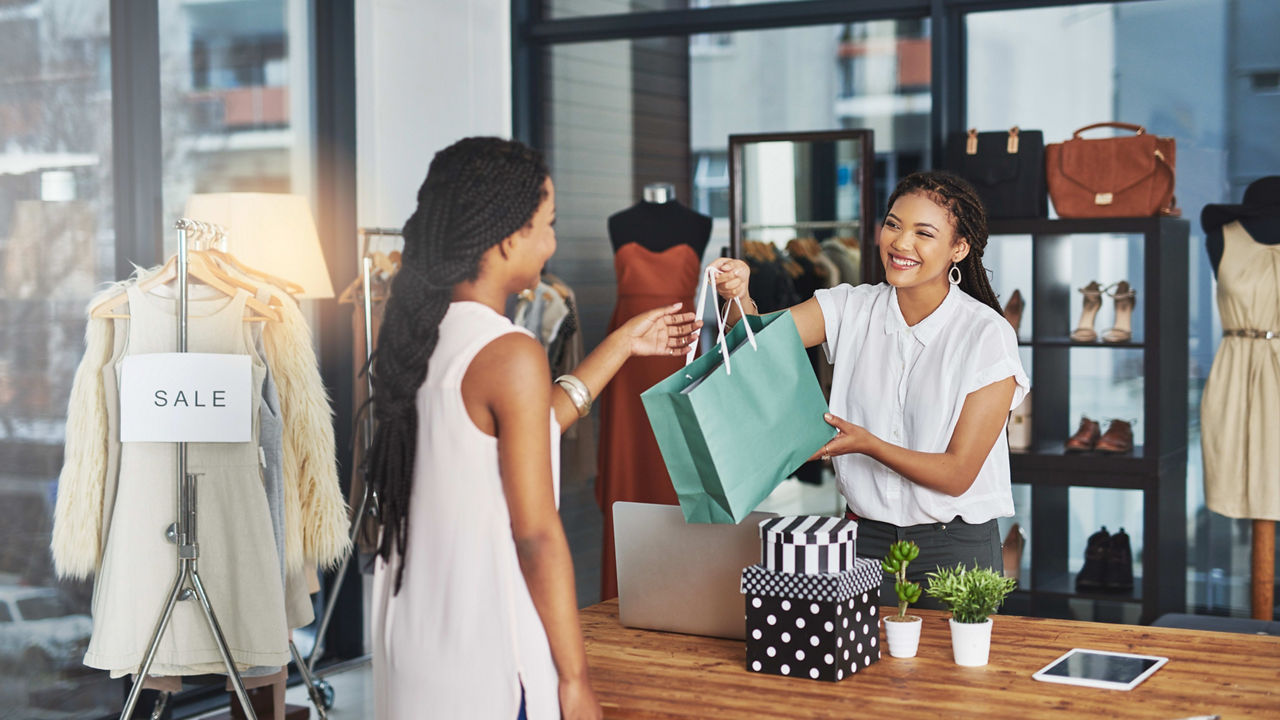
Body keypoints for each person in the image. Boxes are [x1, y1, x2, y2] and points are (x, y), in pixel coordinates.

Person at [366, 137, 699, 720]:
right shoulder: (508, 352)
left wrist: (621, 344)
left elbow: (533, 427)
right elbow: (537, 536)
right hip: (489, 657)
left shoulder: (417, 335)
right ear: (506, 236)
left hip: (414, 641)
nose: (552, 242)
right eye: (547, 224)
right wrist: (574, 681)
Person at [712, 170, 1029, 606]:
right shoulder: (849, 307)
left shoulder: (986, 335)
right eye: (894, 224)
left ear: (959, 248)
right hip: (862, 543)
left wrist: (867, 445)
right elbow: (756, 342)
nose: (900, 243)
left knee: (955, 675)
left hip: (955, 549)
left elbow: (957, 475)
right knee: (861, 673)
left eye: (924, 233)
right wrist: (737, 295)